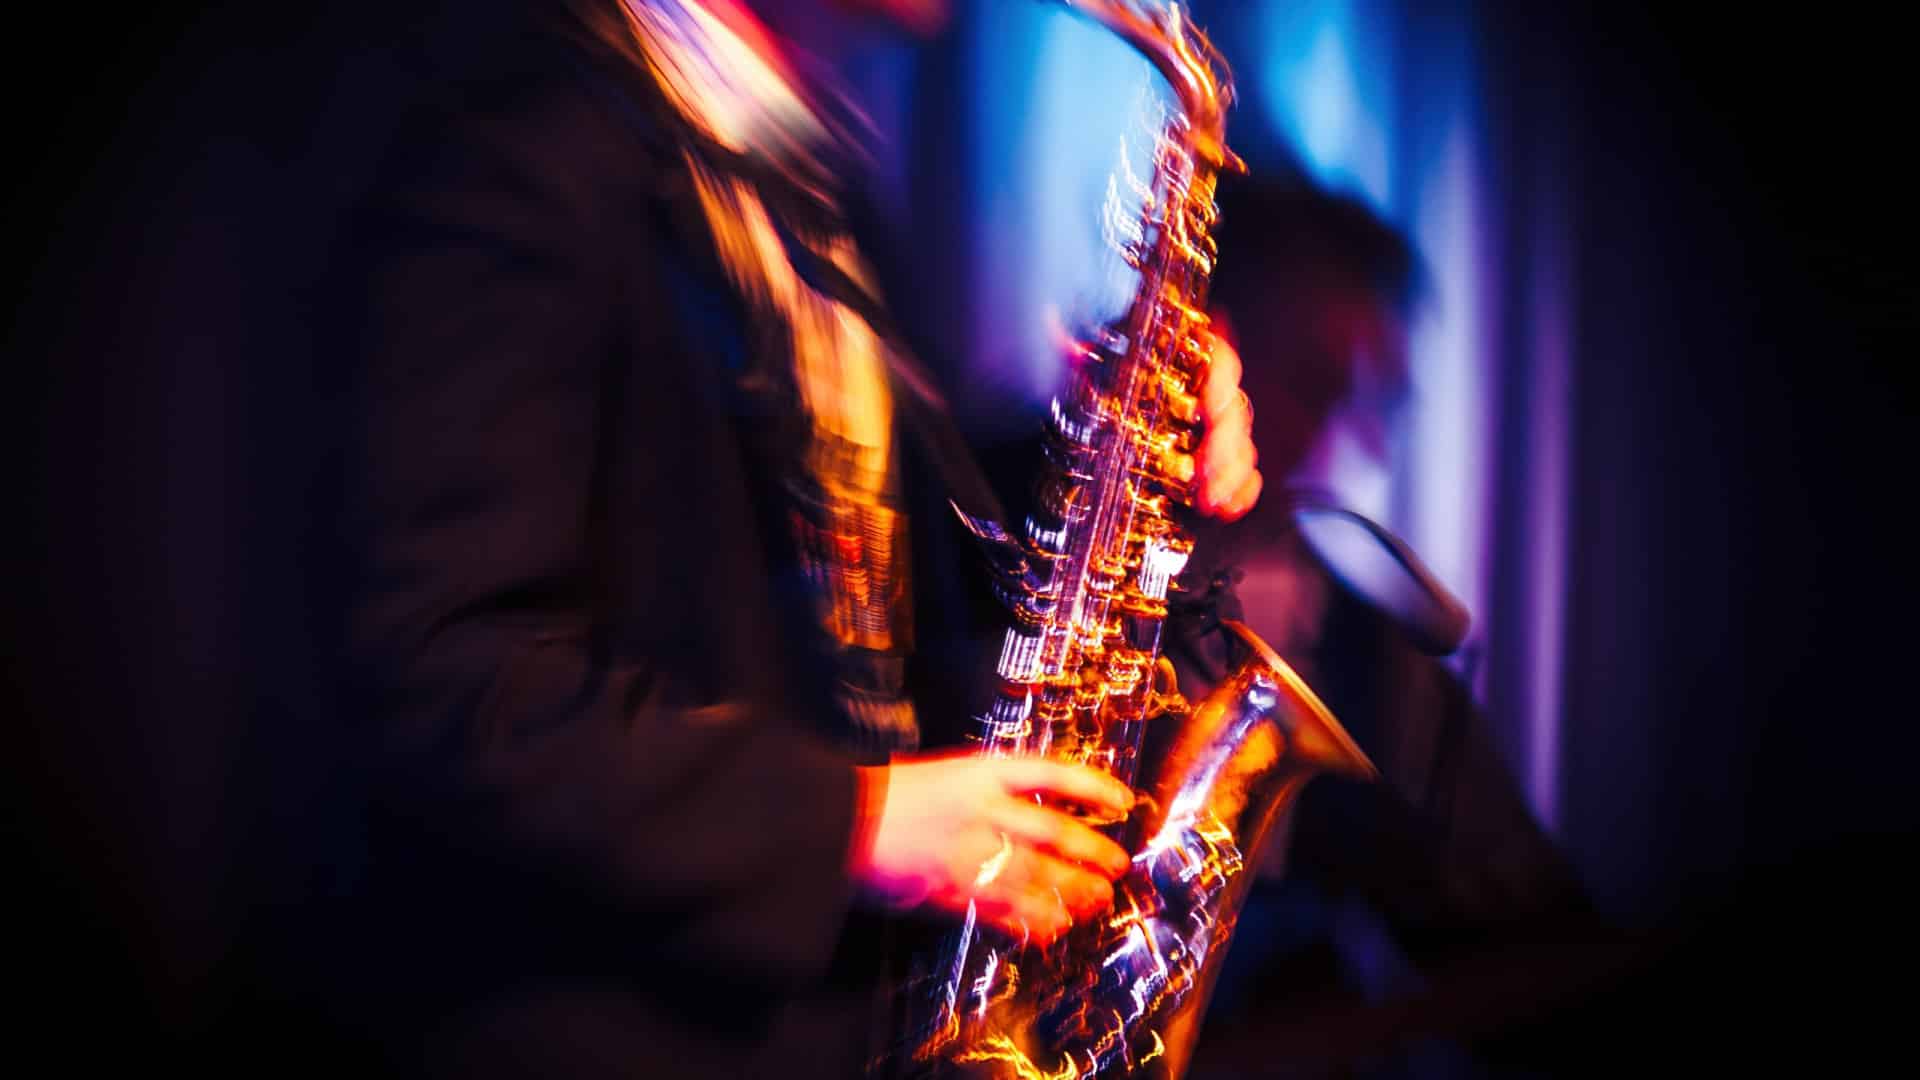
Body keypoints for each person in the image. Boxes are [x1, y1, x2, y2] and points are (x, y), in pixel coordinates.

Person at [275, 0, 1265, 1076]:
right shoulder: (512, 131)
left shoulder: (800, 176)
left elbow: (844, 558)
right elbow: (436, 676)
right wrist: (852, 821)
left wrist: (1126, 422)